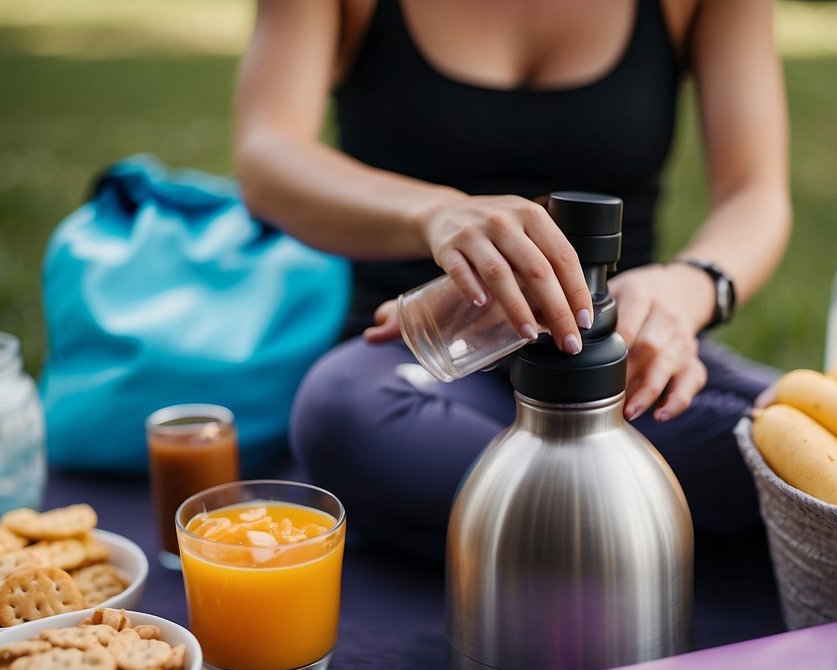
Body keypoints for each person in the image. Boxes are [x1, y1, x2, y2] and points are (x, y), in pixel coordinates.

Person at [234, 0, 792, 560]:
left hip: (618, 362)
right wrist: (435, 214)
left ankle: (542, 532)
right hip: (422, 369)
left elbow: (755, 192)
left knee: (822, 439)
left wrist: (692, 285)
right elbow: (268, 153)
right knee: (341, 412)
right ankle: (643, 526)